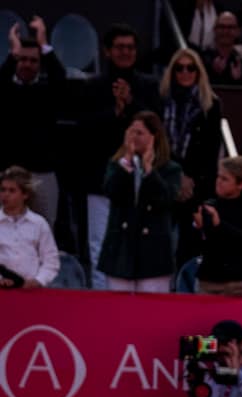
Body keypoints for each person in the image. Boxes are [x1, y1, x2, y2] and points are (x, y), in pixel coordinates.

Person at [82, 24, 162, 290]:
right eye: (119, 47)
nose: (125, 52)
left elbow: (155, 127)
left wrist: (130, 104)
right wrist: (115, 111)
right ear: (107, 51)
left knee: (137, 243)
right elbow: (85, 129)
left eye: (130, 47)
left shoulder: (149, 86)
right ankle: (100, 300)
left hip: (140, 179)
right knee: (99, 243)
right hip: (100, 177)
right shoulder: (93, 86)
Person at [96, 111, 182, 293]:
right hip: (121, 250)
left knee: (152, 311)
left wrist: (150, 171)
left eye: (140, 133)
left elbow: (165, 200)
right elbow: (110, 191)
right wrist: (126, 162)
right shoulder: (117, 165)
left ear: (154, 137)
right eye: (131, 132)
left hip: (153, 253)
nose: (134, 137)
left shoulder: (170, 169)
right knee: (118, 310)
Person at [0, 18, 66, 227]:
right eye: (23, 59)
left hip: (42, 173)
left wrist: (44, 44)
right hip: (9, 173)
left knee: (44, 229)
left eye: (33, 60)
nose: (27, 64)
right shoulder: (7, 91)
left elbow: (60, 78)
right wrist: (12, 54)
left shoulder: (48, 91)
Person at [161, 47, 224, 267]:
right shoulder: (161, 101)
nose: (185, 72)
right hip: (166, 182)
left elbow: (210, 150)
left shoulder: (211, 105)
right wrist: (176, 176)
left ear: (199, 72)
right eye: (179, 68)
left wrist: (189, 181)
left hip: (197, 187)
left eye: (191, 68)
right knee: (161, 247)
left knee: (190, 248)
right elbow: (158, 145)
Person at [193, 156, 242, 296]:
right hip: (208, 280)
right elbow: (201, 242)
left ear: (241, 184)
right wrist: (199, 225)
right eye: (218, 177)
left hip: (236, 282)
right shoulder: (210, 205)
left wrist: (220, 224)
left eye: (225, 179)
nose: (218, 182)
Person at [0, 166, 59, 289]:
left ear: (25, 194)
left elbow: (51, 259)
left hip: (32, 291)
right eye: (3, 190)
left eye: (12, 191)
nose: (5, 195)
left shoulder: (39, 223)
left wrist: (39, 280)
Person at [202, 12, 242, 87]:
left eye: (230, 27)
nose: (226, 31)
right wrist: (215, 74)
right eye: (222, 27)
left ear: (238, 31)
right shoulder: (203, 59)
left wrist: (238, 80)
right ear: (215, 30)